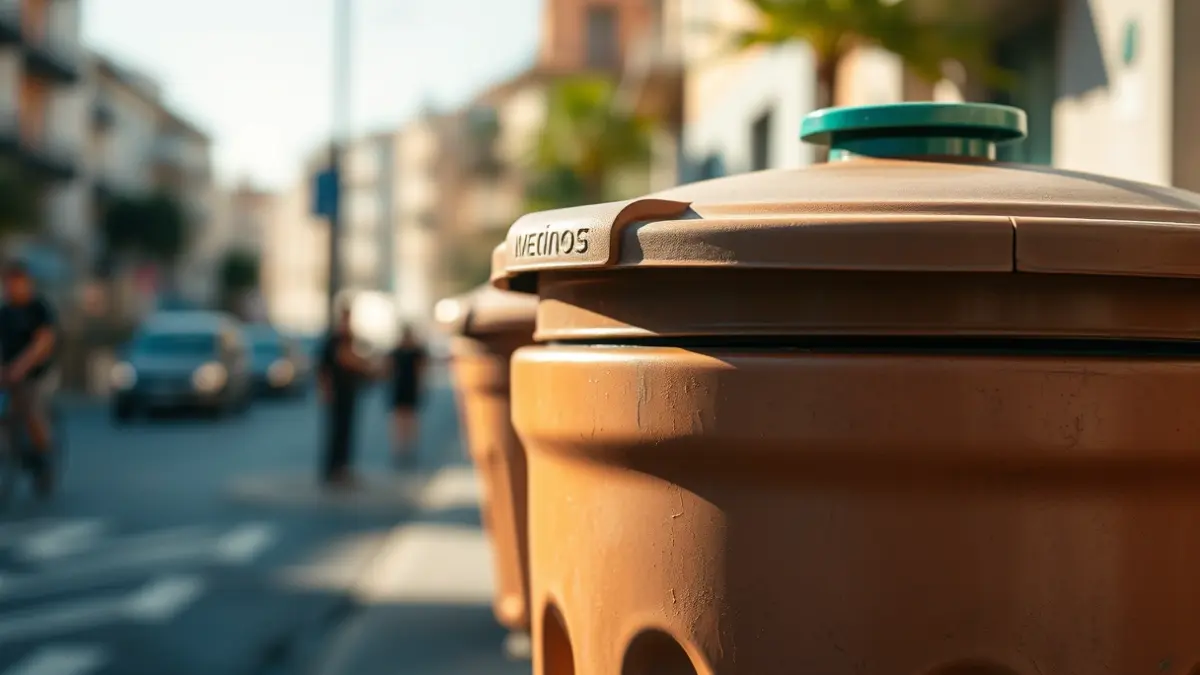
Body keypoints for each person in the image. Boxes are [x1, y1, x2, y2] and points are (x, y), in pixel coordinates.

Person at [0, 261, 58, 496]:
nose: (13, 288)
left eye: (17, 283)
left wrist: (20, 366)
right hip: (8, 373)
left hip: (36, 373)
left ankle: (43, 453)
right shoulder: (4, 313)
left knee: (33, 409)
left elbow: (43, 342)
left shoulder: (38, 309)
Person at [318, 304, 373, 488]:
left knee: (347, 431)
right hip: (338, 393)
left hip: (349, 391)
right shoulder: (336, 340)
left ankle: (343, 468)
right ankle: (333, 470)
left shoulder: (349, 338)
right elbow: (335, 364)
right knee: (336, 433)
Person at [386, 323, 427, 469]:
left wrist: (421, 387)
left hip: (410, 389)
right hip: (399, 389)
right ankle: (400, 448)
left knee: (410, 419)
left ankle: (409, 447)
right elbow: (389, 369)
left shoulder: (416, 351)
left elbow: (421, 370)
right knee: (399, 420)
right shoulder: (396, 352)